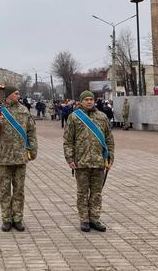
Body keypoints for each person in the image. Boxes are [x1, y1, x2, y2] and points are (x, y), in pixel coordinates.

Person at [0, 85, 38, 232]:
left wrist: (32, 150)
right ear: (8, 95)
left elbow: (31, 131)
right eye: (16, 93)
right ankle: (6, 219)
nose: (18, 95)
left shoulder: (24, 110)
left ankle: (18, 219)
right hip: (4, 157)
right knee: (4, 191)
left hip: (20, 157)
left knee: (19, 190)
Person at [63, 90, 114, 233]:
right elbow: (68, 141)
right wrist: (70, 158)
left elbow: (109, 139)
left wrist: (110, 158)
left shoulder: (102, 117)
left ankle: (95, 219)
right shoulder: (74, 117)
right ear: (81, 102)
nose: (90, 102)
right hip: (81, 162)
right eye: (86, 100)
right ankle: (84, 219)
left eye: (91, 99)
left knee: (97, 193)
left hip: (99, 162)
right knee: (82, 193)